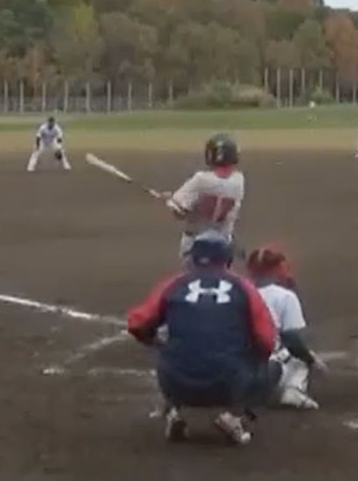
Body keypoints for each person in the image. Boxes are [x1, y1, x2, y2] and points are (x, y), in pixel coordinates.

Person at [126, 230, 278, 446]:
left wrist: (154, 341)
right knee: (273, 367)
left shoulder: (173, 284)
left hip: (175, 381)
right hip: (227, 382)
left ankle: (176, 413)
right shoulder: (244, 287)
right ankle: (234, 417)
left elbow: (137, 324)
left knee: (170, 350)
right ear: (227, 257)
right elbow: (266, 340)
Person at [246, 246, 327, 410]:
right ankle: (294, 390)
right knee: (300, 354)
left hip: (235, 372)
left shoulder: (238, 291)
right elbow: (293, 341)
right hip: (267, 374)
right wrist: (312, 360)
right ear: (275, 269)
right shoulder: (285, 296)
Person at [164, 133, 246, 259]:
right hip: (223, 245)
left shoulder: (200, 180)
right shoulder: (239, 180)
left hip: (194, 245)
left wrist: (170, 200)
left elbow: (179, 213)